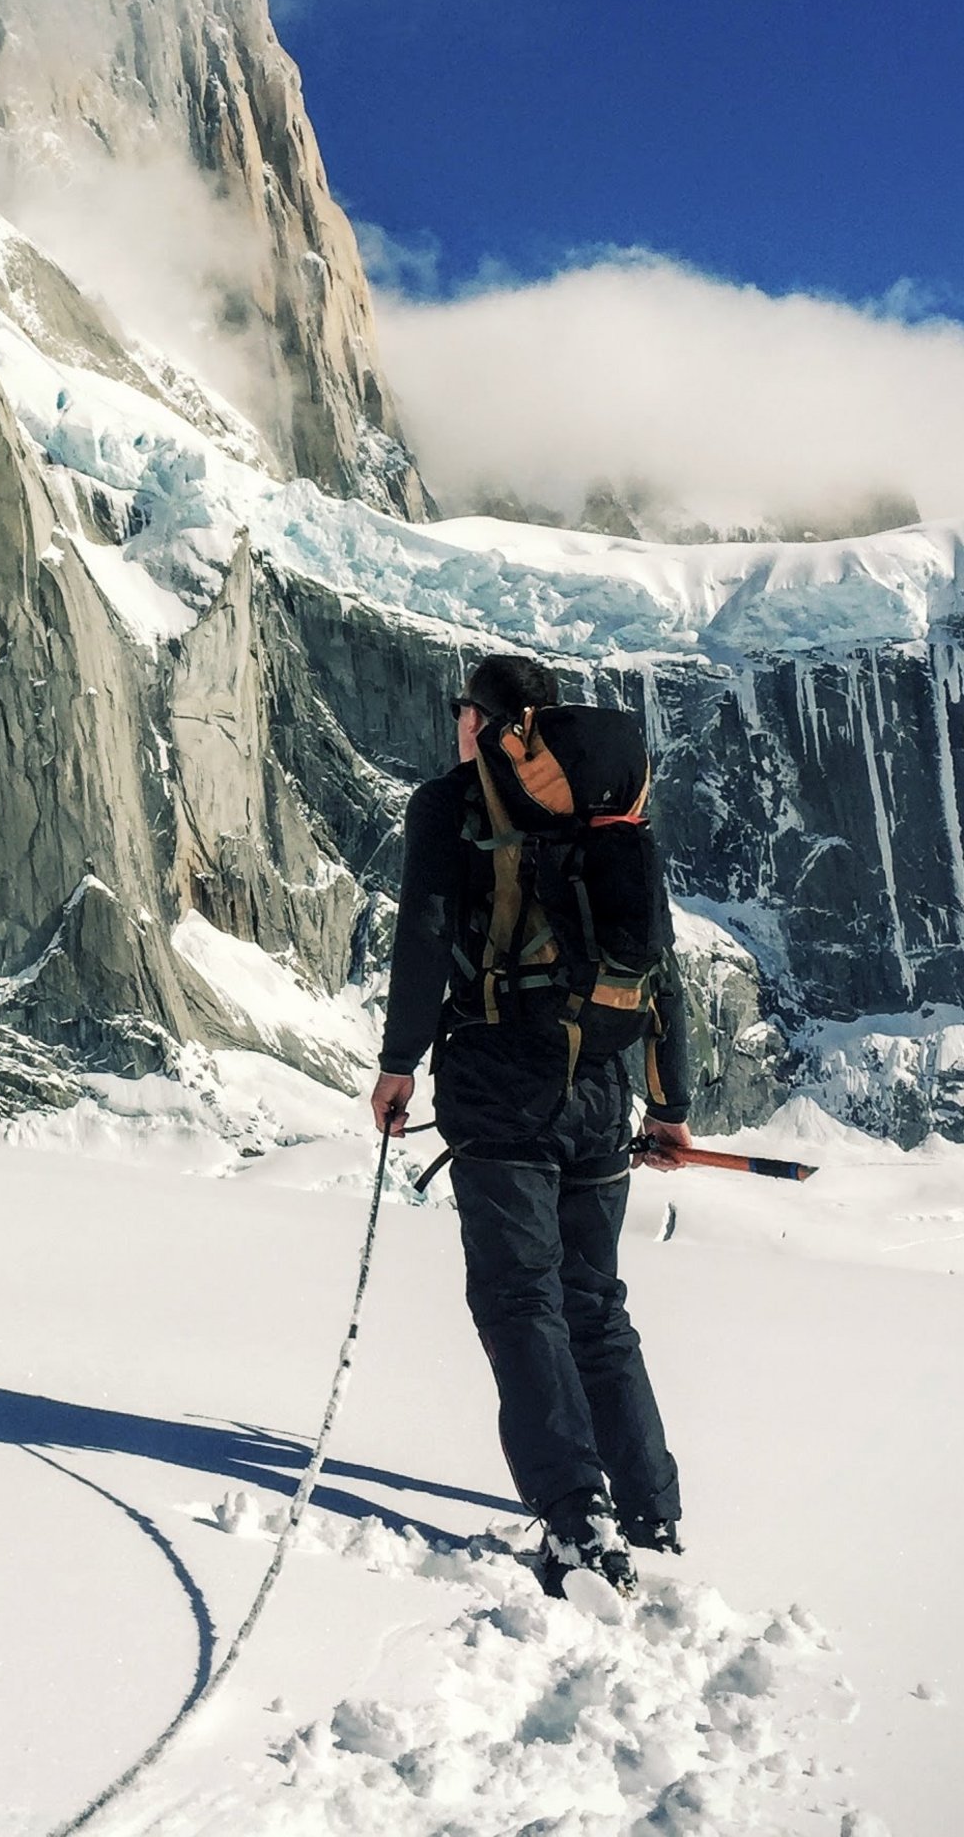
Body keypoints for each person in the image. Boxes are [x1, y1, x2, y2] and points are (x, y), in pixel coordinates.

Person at [368, 652, 692, 1597]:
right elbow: (657, 963)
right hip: (600, 1083)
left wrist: (398, 1065)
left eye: (463, 711)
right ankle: (650, 1512)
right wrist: (668, 1107)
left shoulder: (450, 804)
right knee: (595, 1302)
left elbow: (423, 936)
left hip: (499, 1081)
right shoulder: (609, 807)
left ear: (488, 722)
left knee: (521, 1301)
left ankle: (574, 1516)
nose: (456, 726)